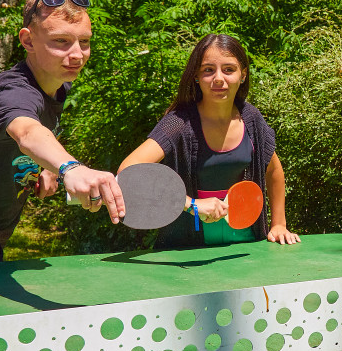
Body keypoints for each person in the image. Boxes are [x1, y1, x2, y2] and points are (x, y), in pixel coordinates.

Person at [0, 0, 125, 264]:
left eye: (84, 42)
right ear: (28, 41)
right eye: (61, 41)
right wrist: (70, 168)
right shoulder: (13, 92)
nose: (77, 54)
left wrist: (45, 167)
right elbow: (26, 131)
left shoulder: (57, 84)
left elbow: (35, 134)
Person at [119, 33, 299, 247]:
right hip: (187, 249)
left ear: (243, 75)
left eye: (229, 69)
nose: (219, 78)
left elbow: (274, 171)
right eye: (208, 70)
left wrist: (279, 224)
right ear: (196, 76)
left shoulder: (252, 119)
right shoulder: (178, 123)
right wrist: (191, 204)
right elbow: (127, 172)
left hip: (247, 243)